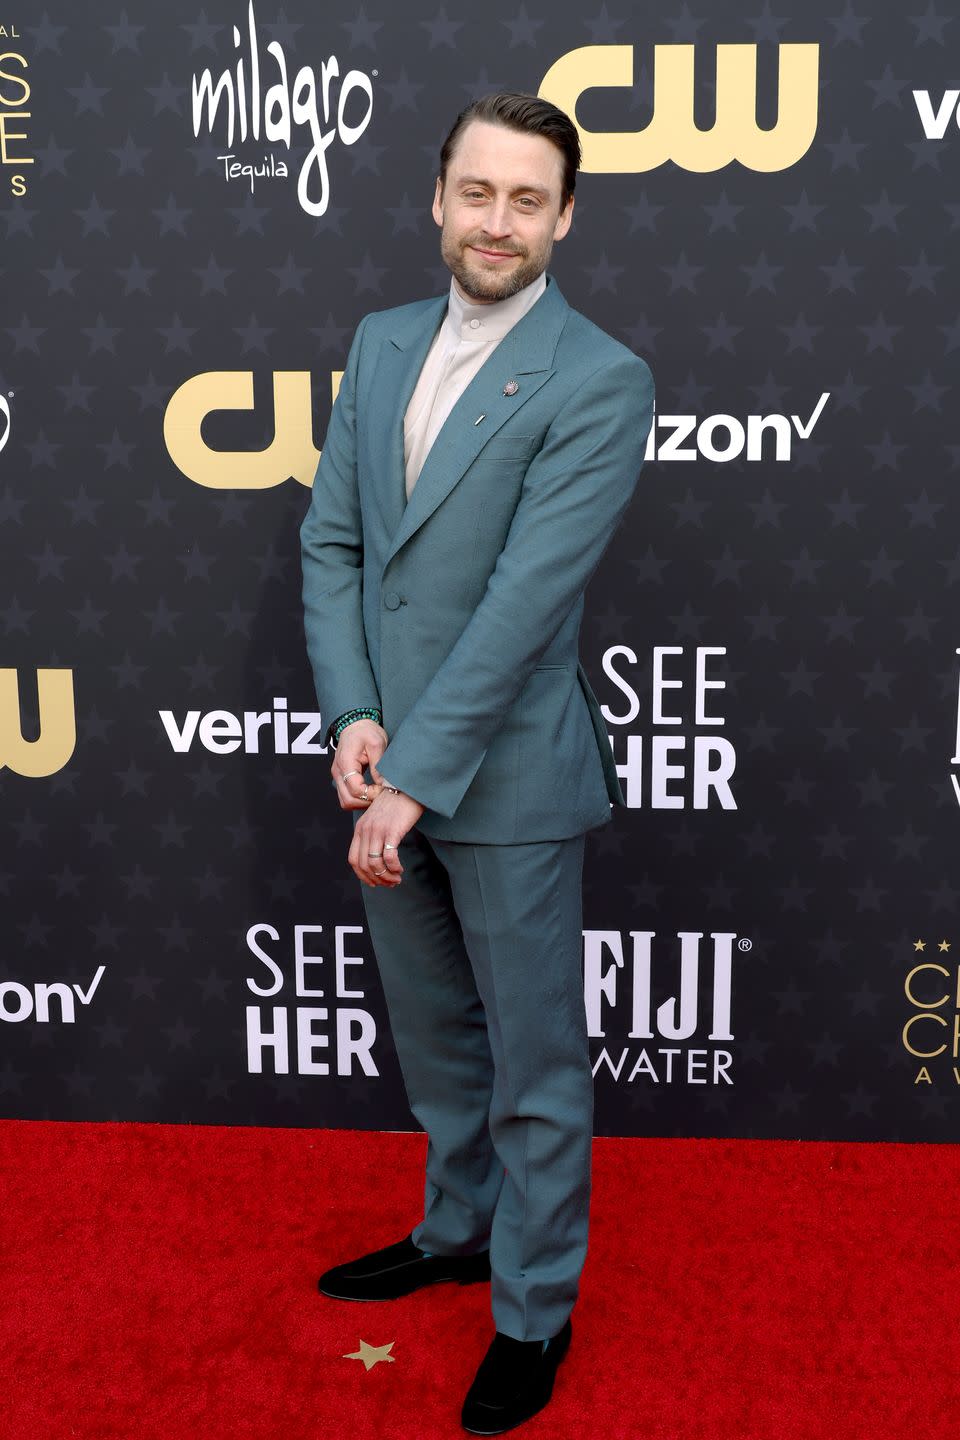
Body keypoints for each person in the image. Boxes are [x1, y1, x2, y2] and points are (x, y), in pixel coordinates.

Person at [300, 91, 654, 1436]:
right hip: (378, 762)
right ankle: (455, 1232)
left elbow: (521, 608)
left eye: (527, 199)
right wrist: (352, 719)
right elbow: (334, 545)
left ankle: (534, 1310)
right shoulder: (379, 343)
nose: (495, 221)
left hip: (501, 781)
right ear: (436, 198)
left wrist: (414, 775)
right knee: (437, 1044)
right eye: (475, 192)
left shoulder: (600, 377)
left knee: (534, 1064)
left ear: (564, 217)